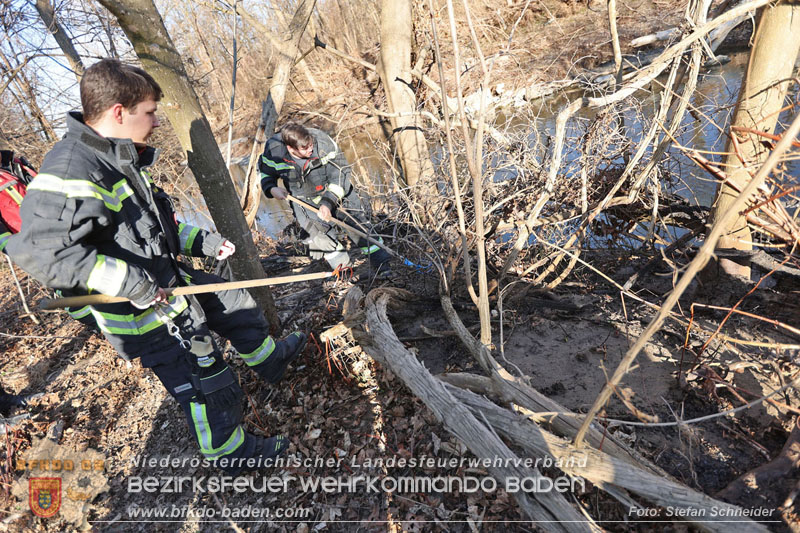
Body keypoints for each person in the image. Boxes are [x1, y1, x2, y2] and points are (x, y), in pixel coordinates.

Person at [7, 59, 306, 473]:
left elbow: (152, 228)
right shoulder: (72, 168)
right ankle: (226, 450)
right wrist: (129, 282)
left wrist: (204, 242)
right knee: (206, 379)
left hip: (170, 285)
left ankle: (269, 361)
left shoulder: (118, 157)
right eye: (148, 112)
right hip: (145, 315)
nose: (155, 121)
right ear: (118, 112)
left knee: (235, 304)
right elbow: (38, 252)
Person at [259, 122, 391, 273]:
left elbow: (341, 173)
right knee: (321, 240)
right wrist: (271, 188)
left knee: (359, 227)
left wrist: (328, 202)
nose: (310, 149)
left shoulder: (322, 143)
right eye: (304, 148)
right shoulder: (274, 150)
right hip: (303, 201)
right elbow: (265, 173)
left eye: (310, 144)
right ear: (290, 149)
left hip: (336, 192)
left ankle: (383, 265)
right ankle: (344, 273)